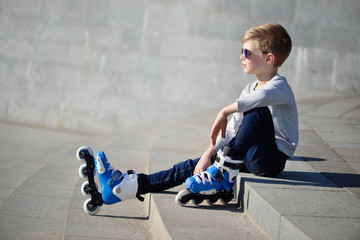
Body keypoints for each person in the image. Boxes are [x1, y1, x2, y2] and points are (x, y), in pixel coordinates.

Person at [84, 22, 298, 208]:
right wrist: (210, 152)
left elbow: (256, 101)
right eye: (242, 51)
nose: (241, 57)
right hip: (247, 155)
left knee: (258, 111)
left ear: (269, 58)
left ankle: (223, 174)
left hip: (271, 160)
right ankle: (127, 186)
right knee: (191, 165)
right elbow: (233, 129)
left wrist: (224, 111)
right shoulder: (249, 88)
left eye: (247, 53)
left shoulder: (280, 87)